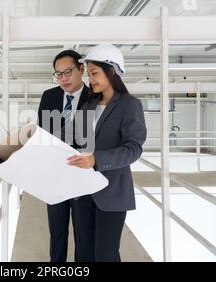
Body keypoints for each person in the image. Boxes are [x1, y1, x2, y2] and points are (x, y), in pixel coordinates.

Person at [67, 44, 147, 262]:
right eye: (89, 74)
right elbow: (78, 142)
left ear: (112, 71)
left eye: (94, 73)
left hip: (112, 193)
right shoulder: (88, 105)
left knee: (105, 255)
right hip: (83, 191)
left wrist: (96, 160)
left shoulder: (129, 105)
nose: (90, 79)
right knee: (83, 253)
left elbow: (133, 148)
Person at [37, 50, 89, 262]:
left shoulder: (95, 97)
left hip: (83, 173)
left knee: (83, 232)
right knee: (57, 231)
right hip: (55, 175)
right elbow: (42, 133)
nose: (63, 78)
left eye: (68, 71)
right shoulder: (49, 96)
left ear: (81, 69)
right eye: (58, 74)